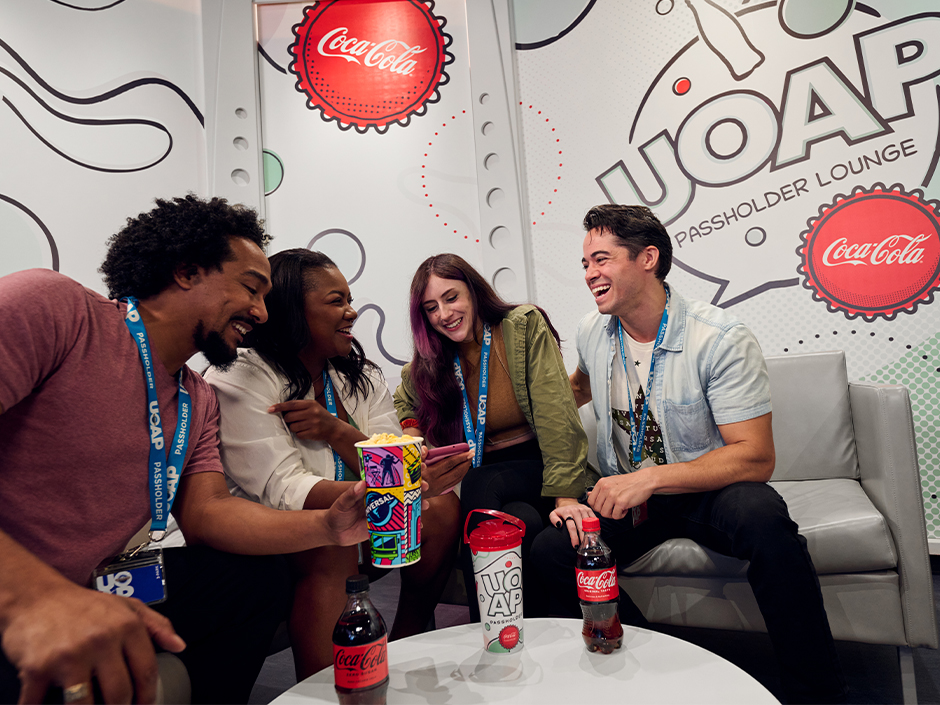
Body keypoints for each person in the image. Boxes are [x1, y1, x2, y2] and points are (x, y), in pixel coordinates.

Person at [0, 195, 373, 705]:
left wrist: (327, 525)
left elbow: (207, 512)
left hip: (101, 585)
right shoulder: (56, 308)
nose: (261, 313)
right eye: (250, 288)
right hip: (17, 586)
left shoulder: (196, 396)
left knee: (250, 582)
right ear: (186, 271)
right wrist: (37, 597)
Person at [530, 204, 846, 703]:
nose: (590, 273)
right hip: (627, 495)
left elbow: (756, 457)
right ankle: (652, 666)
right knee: (549, 551)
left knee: (764, 519)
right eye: (585, 263)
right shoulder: (593, 330)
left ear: (648, 258)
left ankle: (817, 693)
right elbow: (575, 391)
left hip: (704, 488)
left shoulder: (718, 337)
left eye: (602, 259)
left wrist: (652, 478)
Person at [203, 249, 465, 678]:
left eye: (350, 299)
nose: (352, 311)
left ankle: (410, 635)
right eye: (336, 301)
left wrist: (338, 432)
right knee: (331, 544)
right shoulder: (238, 377)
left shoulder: (357, 374)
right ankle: (331, 688)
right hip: (274, 529)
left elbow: (395, 450)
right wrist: (401, 485)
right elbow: (284, 489)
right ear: (292, 310)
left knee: (441, 509)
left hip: (358, 512)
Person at [394, 254, 589, 621]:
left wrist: (565, 497)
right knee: (522, 522)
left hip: (539, 465)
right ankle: (529, 633)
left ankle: (484, 628)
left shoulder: (521, 327)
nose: (444, 314)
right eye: (431, 307)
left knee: (480, 483)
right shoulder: (433, 359)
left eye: (451, 298)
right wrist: (412, 432)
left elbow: (556, 413)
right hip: (490, 474)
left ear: (473, 290)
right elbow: (406, 395)